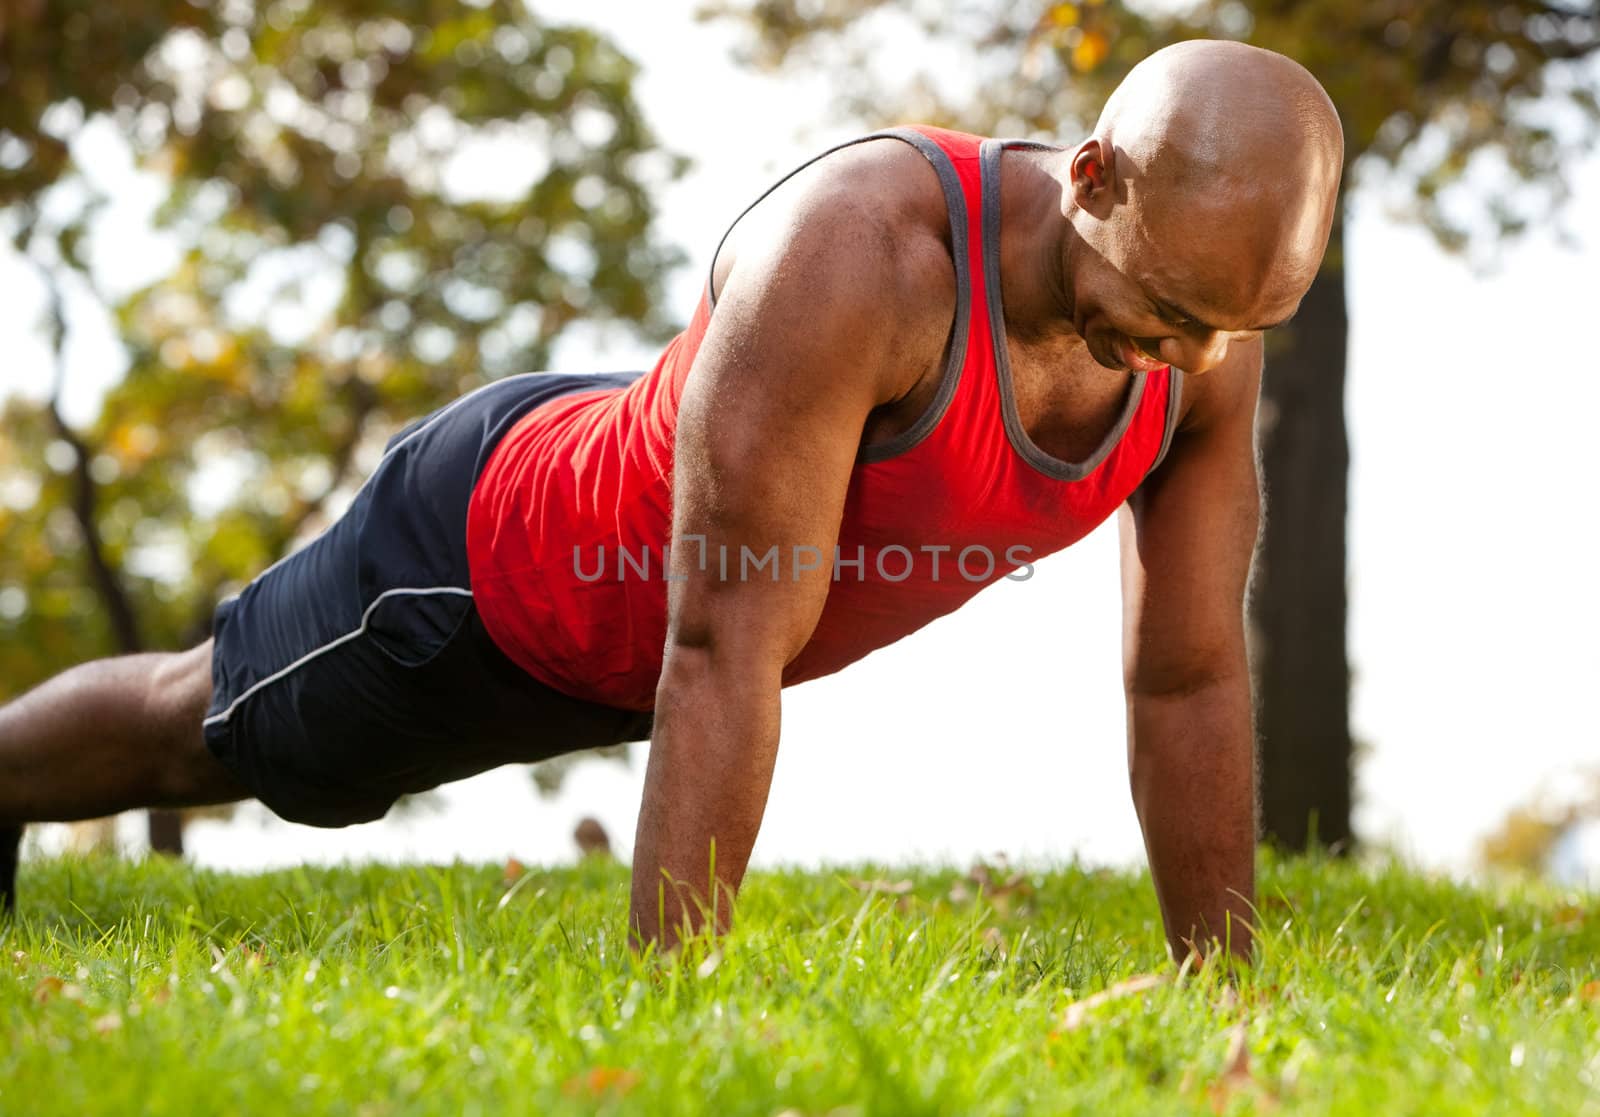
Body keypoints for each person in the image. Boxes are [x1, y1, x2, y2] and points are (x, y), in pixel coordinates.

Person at [0, 39, 1343, 961]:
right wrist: (671, 1022)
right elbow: (720, 650)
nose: (1195, 357)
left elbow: (1187, 680)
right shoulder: (862, 257)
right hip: (493, 571)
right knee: (209, 731)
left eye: (1233, 324)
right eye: (1168, 310)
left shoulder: (1200, 328)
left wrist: (1215, 997)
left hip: (659, 598)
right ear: (1094, 176)